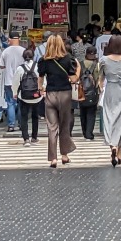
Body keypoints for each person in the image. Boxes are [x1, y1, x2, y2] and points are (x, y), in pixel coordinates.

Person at [37, 33, 79, 168]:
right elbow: (73, 79)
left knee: (51, 127)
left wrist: (40, 89)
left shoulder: (44, 60)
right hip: (65, 94)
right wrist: (78, 70)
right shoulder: (68, 59)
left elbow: (41, 77)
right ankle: (64, 155)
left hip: (50, 94)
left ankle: (53, 158)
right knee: (64, 125)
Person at [100, 34, 121, 166]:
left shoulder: (104, 60)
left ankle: (112, 146)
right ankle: (119, 153)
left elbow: (101, 77)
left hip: (110, 91)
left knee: (110, 120)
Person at [12, 44, 42, 145]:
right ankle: (34, 137)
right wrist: (42, 90)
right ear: (33, 56)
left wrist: (15, 93)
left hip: (23, 96)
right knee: (35, 116)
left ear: (23, 57)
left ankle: (26, 139)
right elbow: (42, 79)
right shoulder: (38, 66)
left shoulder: (20, 68)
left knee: (24, 117)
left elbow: (15, 82)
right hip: (36, 96)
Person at [0, 30, 25, 134]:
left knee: (10, 103)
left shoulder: (6, 52)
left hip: (9, 81)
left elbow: (1, 65)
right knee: (21, 103)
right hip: (21, 81)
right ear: (19, 39)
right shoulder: (23, 50)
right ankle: (22, 124)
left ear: (9, 39)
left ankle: (11, 125)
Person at [77, 45, 100, 141]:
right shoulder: (96, 65)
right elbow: (98, 79)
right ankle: (89, 134)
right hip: (92, 92)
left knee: (82, 112)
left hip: (81, 91)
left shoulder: (80, 64)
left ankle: (84, 132)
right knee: (91, 112)